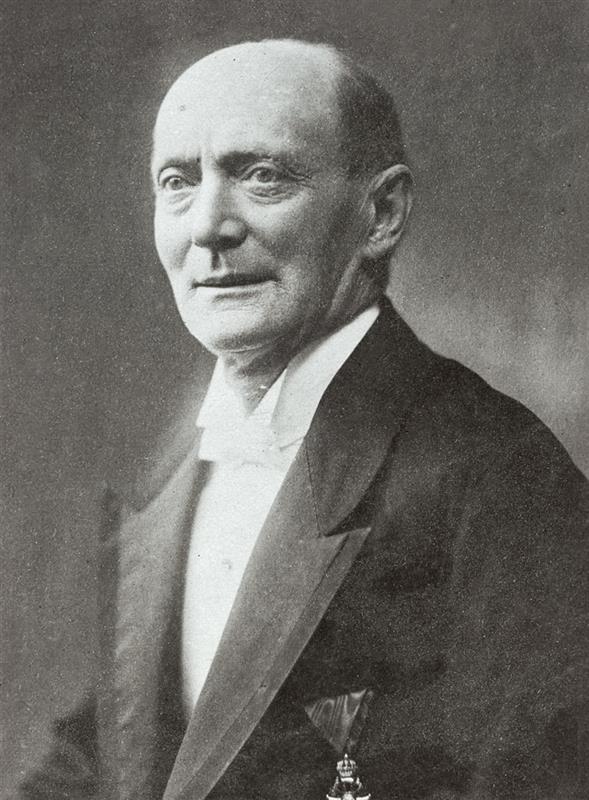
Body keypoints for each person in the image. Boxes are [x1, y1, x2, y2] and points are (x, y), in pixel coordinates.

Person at [20, 38, 589, 800]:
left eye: (262, 176)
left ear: (381, 213)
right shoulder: (174, 487)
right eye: (178, 183)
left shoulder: (498, 473)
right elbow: (102, 764)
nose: (208, 227)